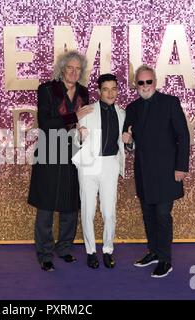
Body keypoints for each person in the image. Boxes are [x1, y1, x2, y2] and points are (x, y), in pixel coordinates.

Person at [28, 50, 93, 271]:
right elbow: (45, 122)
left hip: (75, 151)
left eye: (78, 69)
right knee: (46, 204)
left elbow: (89, 121)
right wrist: (75, 117)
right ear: (62, 69)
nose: (74, 72)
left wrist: (85, 129)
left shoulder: (84, 92)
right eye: (70, 68)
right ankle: (45, 253)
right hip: (49, 149)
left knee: (70, 203)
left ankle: (64, 248)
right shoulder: (46, 89)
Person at [122, 65, 190, 278]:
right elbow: (130, 143)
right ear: (136, 85)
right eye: (140, 82)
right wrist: (128, 142)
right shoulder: (132, 108)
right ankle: (152, 252)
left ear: (155, 82)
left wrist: (181, 167)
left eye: (148, 82)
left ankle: (165, 260)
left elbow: (183, 136)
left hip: (167, 172)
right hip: (144, 171)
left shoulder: (170, 103)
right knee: (148, 215)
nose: (145, 86)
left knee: (162, 215)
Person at [72, 74, 126, 269]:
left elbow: (125, 143)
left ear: (118, 90)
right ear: (99, 91)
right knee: (87, 209)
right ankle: (90, 251)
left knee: (109, 212)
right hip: (89, 164)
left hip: (110, 163)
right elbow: (75, 140)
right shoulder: (87, 111)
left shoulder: (122, 113)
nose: (110, 93)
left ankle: (108, 250)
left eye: (114, 89)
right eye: (106, 89)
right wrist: (79, 134)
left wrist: (129, 142)